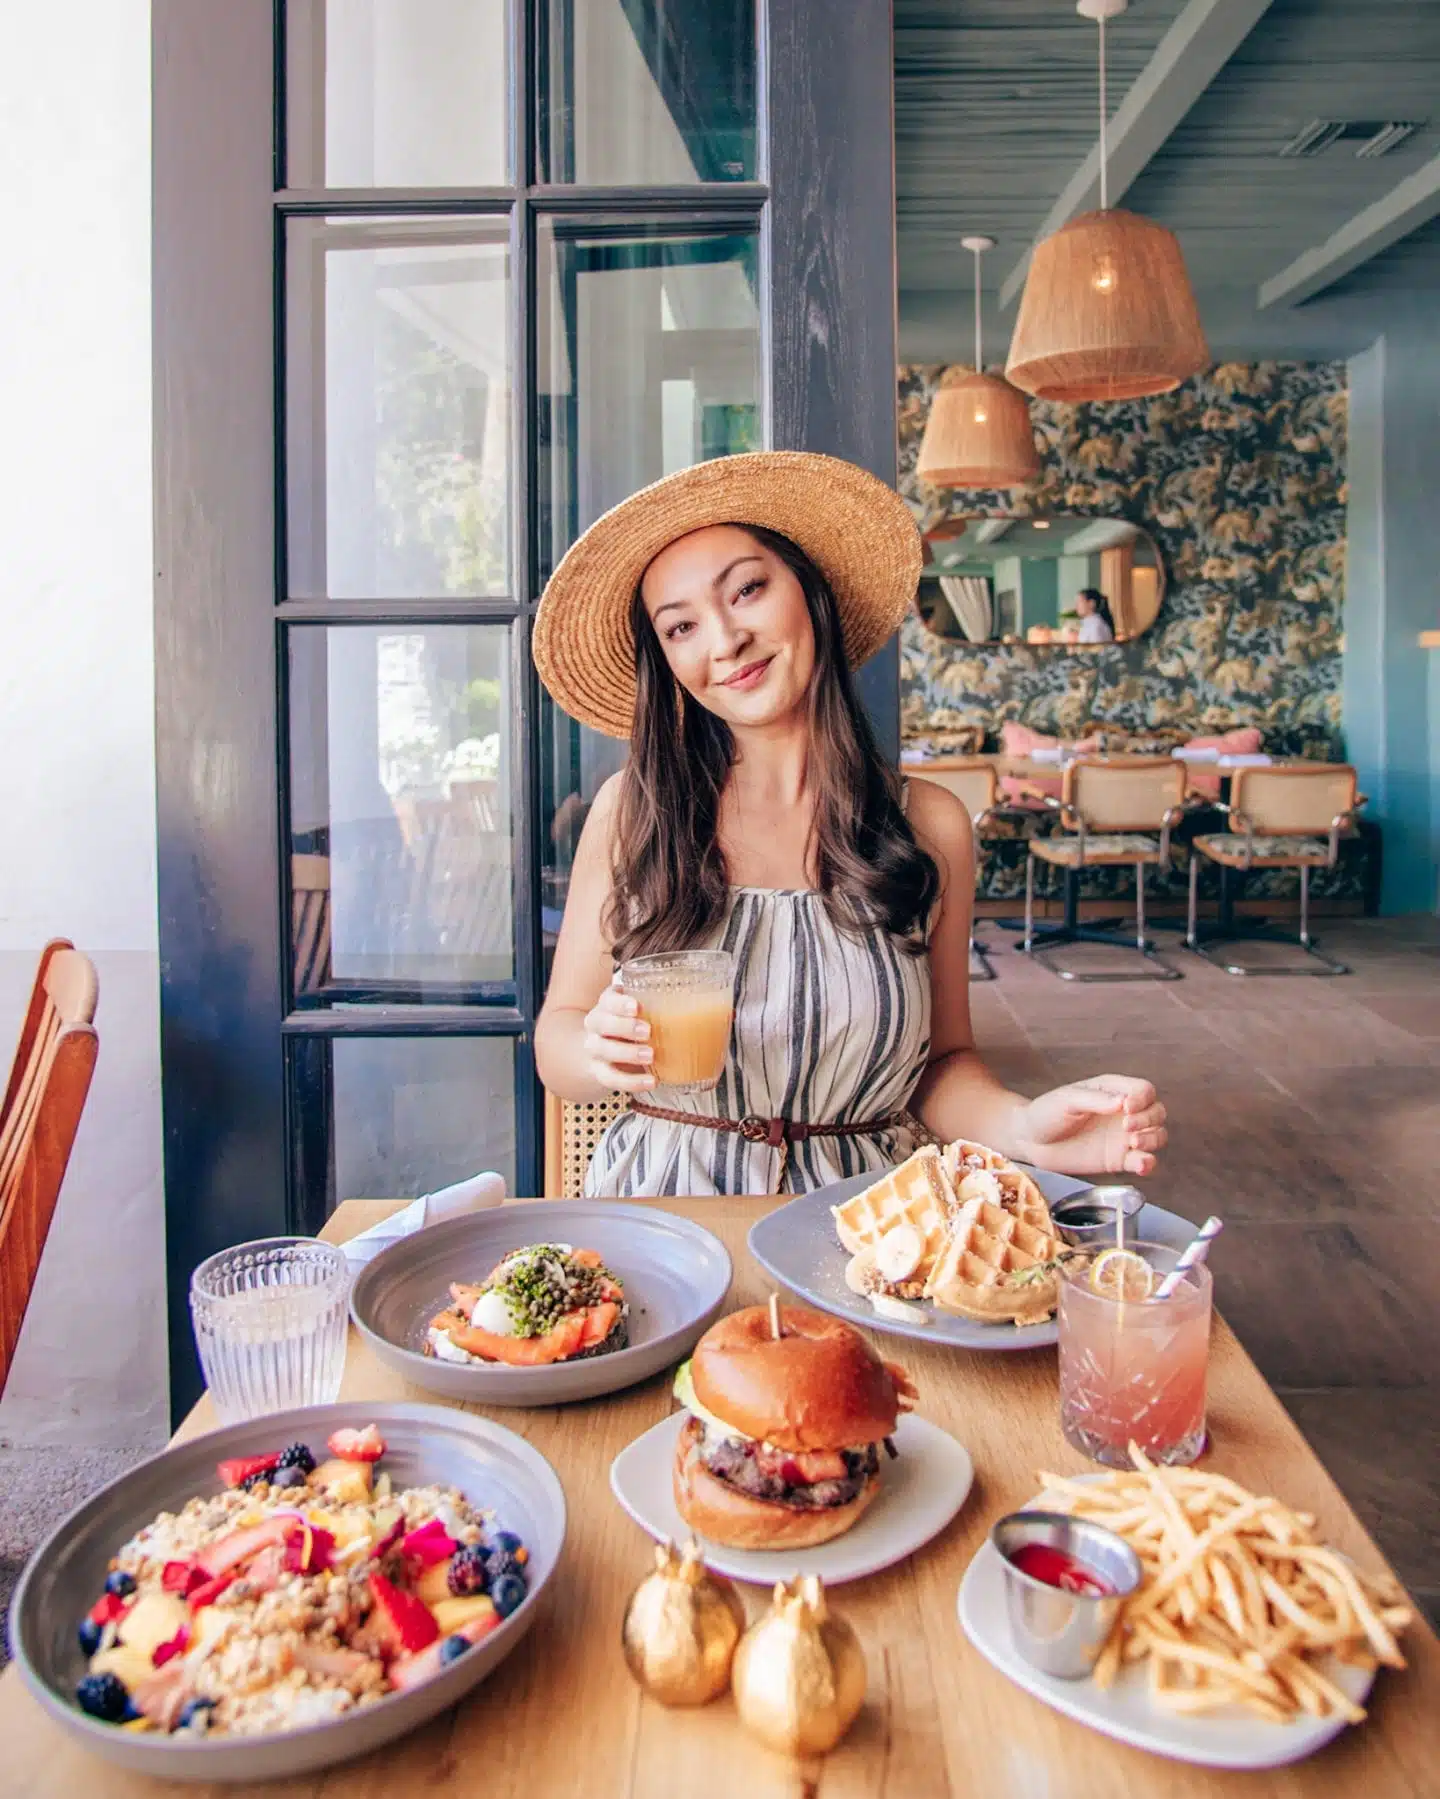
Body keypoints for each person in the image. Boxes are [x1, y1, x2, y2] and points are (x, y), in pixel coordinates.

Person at [532, 451, 1166, 1196]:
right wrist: (594, 1049)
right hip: (672, 1214)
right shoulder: (634, 813)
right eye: (680, 628)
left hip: (871, 1226)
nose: (724, 640)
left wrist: (1025, 1127)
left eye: (748, 589)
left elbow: (942, 1063)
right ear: (665, 662)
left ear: (811, 593)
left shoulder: (930, 824)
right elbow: (558, 1037)